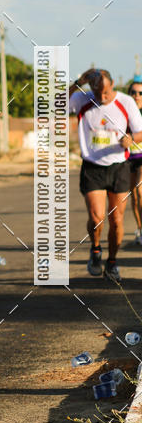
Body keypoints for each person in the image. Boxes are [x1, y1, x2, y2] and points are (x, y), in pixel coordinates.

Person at [69, 68, 142, 280]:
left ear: (112, 86)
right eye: (98, 92)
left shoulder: (126, 102)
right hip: (92, 167)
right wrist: (78, 82)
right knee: (97, 217)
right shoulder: (82, 99)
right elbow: (56, 103)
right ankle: (95, 249)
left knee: (117, 220)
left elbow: (140, 131)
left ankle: (112, 262)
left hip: (119, 166)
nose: (103, 97)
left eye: (107, 92)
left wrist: (131, 138)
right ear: (91, 88)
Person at [126, 77, 142, 244]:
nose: (137, 96)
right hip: (128, 158)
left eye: (140, 93)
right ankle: (140, 228)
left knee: (140, 191)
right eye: (133, 92)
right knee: (134, 197)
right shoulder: (124, 112)